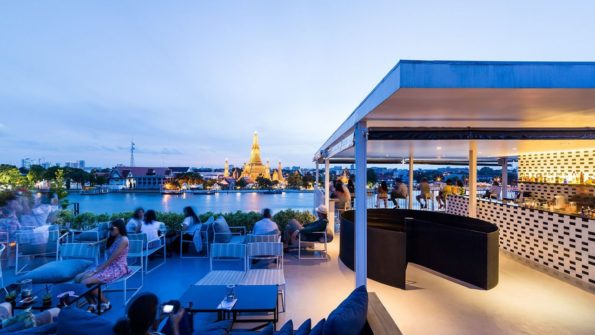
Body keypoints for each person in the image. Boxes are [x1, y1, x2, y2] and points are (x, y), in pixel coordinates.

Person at [75, 219, 130, 313]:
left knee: (84, 282)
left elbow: (112, 258)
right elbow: (106, 240)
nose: (110, 230)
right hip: (108, 266)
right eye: (109, 228)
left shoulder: (124, 240)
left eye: (112, 228)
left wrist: (99, 269)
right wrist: (95, 243)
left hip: (118, 268)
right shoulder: (113, 237)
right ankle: (92, 303)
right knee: (77, 278)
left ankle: (106, 302)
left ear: (119, 228)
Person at [113, 293, 186, 335]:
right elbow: (153, 331)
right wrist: (175, 325)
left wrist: (158, 319)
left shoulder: (118, 329)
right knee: (184, 317)